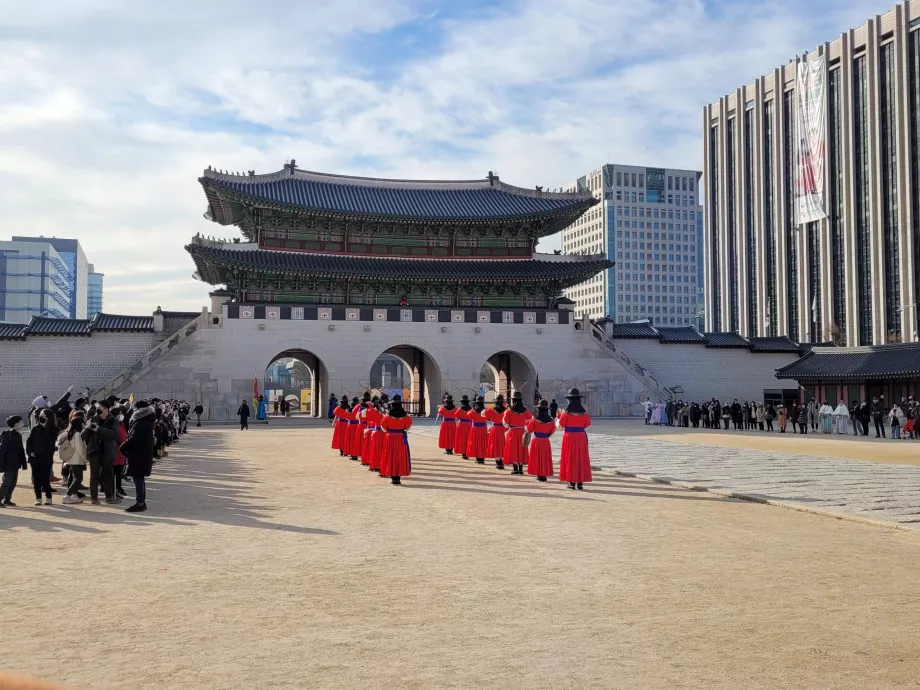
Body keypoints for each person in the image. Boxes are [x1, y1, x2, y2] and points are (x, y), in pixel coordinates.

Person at [120, 400, 156, 513]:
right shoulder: (147, 420)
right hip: (142, 454)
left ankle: (140, 503)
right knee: (140, 479)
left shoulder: (141, 423)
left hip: (139, 455)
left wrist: (123, 446)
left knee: (138, 479)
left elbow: (134, 438)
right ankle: (141, 502)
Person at [82, 400, 120, 505]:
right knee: (94, 476)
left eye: (100, 409)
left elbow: (114, 435)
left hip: (108, 452)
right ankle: (94, 498)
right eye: (97, 408)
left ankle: (109, 496)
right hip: (94, 452)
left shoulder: (113, 421)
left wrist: (99, 429)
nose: (98, 410)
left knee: (108, 475)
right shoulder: (93, 419)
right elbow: (83, 436)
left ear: (106, 410)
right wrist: (88, 427)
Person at [558, 388, 591, 490]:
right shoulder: (584, 413)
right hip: (581, 437)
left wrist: (557, 419)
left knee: (570, 459)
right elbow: (588, 425)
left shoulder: (566, 413)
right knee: (581, 459)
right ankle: (580, 483)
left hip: (569, 437)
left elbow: (559, 427)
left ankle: (572, 483)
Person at [26, 409, 57, 505]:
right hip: (34, 458)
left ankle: (48, 497)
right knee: (36, 479)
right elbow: (29, 441)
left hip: (46, 458)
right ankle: (38, 497)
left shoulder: (54, 429)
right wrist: (30, 452)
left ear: (48, 417)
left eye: (43, 415)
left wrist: (39, 453)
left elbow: (50, 444)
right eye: (40, 415)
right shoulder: (35, 428)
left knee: (45, 478)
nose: (41, 417)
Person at [379, 395, 412, 485]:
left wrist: (390, 431)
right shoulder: (405, 416)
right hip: (401, 437)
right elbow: (408, 428)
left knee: (390, 456)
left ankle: (393, 477)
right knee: (400, 457)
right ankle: (398, 478)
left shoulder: (387, 416)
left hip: (390, 437)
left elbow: (383, 428)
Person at [58, 415, 88, 504]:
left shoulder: (71, 432)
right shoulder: (77, 434)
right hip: (76, 460)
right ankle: (67, 496)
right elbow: (80, 449)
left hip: (72, 459)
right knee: (78, 479)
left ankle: (74, 495)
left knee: (76, 478)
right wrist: (85, 458)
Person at [502, 391, 532, 475]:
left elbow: (505, 423)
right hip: (522, 431)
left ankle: (515, 469)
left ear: (513, 400)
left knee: (513, 450)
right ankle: (521, 469)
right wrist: (522, 422)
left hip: (512, 432)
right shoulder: (525, 410)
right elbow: (530, 419)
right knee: (522, 450)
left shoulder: (509, 410)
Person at [0, 416, 28, 507]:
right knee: (6, 482)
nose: (22, 424)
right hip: (8, 463)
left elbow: (21, 451)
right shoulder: (6, 435)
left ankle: (7, 499)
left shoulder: (18, 435)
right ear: (15, 424)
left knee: (13, 482)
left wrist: (23, 463)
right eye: (21, 422)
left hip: (16, 463)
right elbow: (2, 450)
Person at [526, 400, 555, 482]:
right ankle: (544, 475)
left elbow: (529, 429)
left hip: (536, 440)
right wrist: (546, 435)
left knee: (537, 457)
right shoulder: (551, 420)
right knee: (545, 457)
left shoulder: (534, 419)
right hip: (545, 441)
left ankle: (539, 474)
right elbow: (552, 431)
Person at [466, 396, 490, 464]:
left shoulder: (472, 411)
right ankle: (482, 458)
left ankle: (477, 458)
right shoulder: (486, 411)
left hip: (475, 429)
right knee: (483, 443)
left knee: (475, 443)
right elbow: (489, 418)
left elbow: (468, 415)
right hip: (483, 429)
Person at [485, 395, 506, 466]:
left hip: (495, 428)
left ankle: (498, 461)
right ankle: (502, 460)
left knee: (495, 444)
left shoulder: (491, 410)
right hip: (503, 429)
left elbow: (485, 416)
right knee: (502, 444)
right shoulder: (506, 410)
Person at [362, 397, 382, 470]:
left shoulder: (370, 411)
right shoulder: (387, 413)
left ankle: (374, 464)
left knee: (374, 449)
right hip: (385, 433)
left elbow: (362, 415)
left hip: (375, 432)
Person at [113, 407, 129, 498]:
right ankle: (116, 489)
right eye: (119, 413)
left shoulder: (121, 424)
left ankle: (119, 488)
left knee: (119, 471)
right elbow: (121, 438)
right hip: (117, 450)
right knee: (116, 472)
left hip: (121, 451)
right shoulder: (116, 425)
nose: (121, 415)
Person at [454, 395, 473, 461]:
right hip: (469, 425)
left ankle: (463, 453)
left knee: (462, 439)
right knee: (468, 438)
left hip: (461, 425)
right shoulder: (471, 409)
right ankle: (467, 452)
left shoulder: (459, 409)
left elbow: (456, 416)